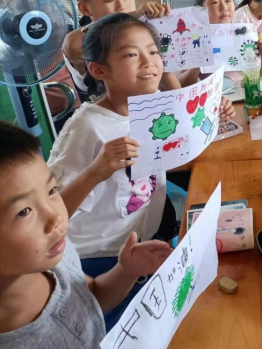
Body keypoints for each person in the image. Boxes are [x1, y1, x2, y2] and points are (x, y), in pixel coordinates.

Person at [47, 14, 234, 329]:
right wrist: (95, 171)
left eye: (153, 51)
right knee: (128, 329)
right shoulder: (86, 128)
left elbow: (177, 147)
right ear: (99, 70)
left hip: (143, 239)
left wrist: (212, 118)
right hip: (99, 257)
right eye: (132, 55)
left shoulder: (153, 103)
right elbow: (48, 213)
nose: (149, 62)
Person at [0, 121, 172, 347]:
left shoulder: (57, 258)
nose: (56, 217)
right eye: (23, 211)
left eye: (51, 190)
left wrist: (127, 271)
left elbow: (93, 298)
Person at [62, 0, 174, 101]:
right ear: (85, 8)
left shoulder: (138, 36)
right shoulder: (82, 41)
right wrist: (131, 16)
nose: (121, 6)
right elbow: (71, 46)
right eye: (109, 0)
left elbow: (171, 88)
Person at [177, 0, 262, 87]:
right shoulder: (195, 41)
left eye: (228, 0)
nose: (224, 7)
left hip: (243, 95)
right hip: (215, 97)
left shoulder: (244, 36)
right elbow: (179, 86)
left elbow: (259, 82)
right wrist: (197, 66)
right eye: (215, 2)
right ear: (200, 9)